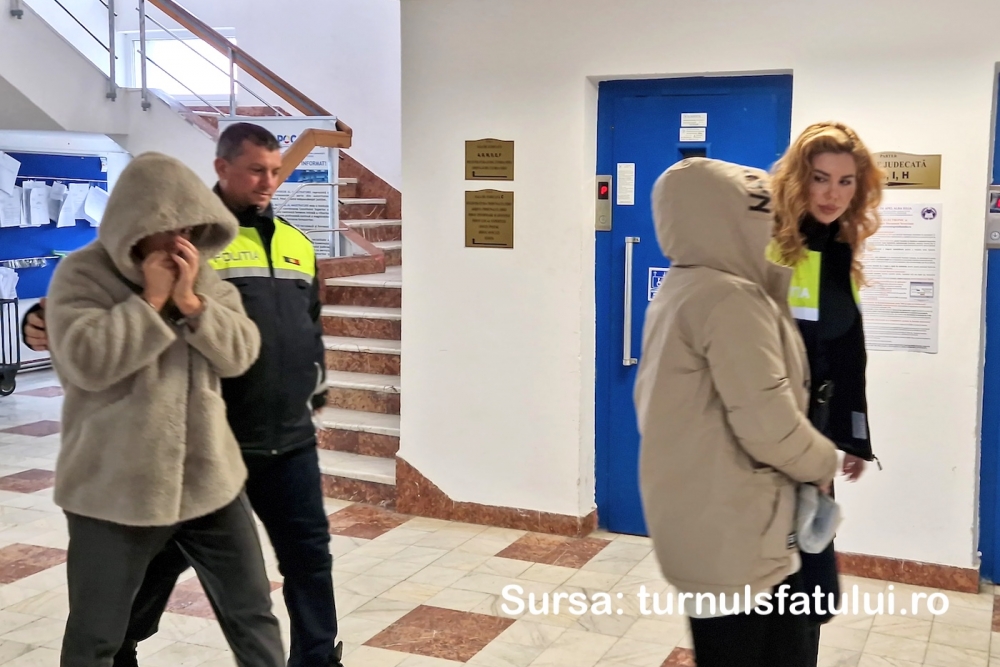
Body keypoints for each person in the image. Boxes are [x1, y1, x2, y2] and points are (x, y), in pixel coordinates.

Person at [24, 123, 344, 667]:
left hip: (252, 452)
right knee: (123, 605)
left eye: (275, 170)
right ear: (222, 168)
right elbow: (84, 352)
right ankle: (125, 647)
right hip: (151, 468)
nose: (269, 181)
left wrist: (312, 386)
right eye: (257, 169)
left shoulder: (274, 247)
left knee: (287, 576)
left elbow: (276, 336)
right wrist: (140, 304)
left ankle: (317, 660)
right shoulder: (102, 268)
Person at [634, 157, 839, 667]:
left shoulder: (685, 288)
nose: (771, 229)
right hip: (737, 530)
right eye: (760, 216)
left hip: (706, 522)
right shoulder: (729, 299)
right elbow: (769, 425)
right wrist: (822, 463)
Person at [769, 121, 882, 664]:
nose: (833, 194)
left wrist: (853, 438)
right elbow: (766, 364)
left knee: (809, 586)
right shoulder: (773, 250)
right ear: (798, 179)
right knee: (779, 582)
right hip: (773, 445)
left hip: (812, 444)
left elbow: (845, 353)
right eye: (820, 178)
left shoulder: (840, 249)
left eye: (845, 181)